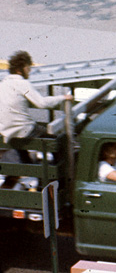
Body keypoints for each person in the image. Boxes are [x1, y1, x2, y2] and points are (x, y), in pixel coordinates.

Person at [1, 50, 72, 187]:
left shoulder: (3, 84)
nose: (29, 71)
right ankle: (62, 178)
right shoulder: (22, 83)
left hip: (7, 132)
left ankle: (30, 178)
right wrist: (63, 98)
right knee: (55, 141)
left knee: (23, 153)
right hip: (24, 130)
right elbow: (42, 103)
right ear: (20, 69)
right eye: (28, 68)